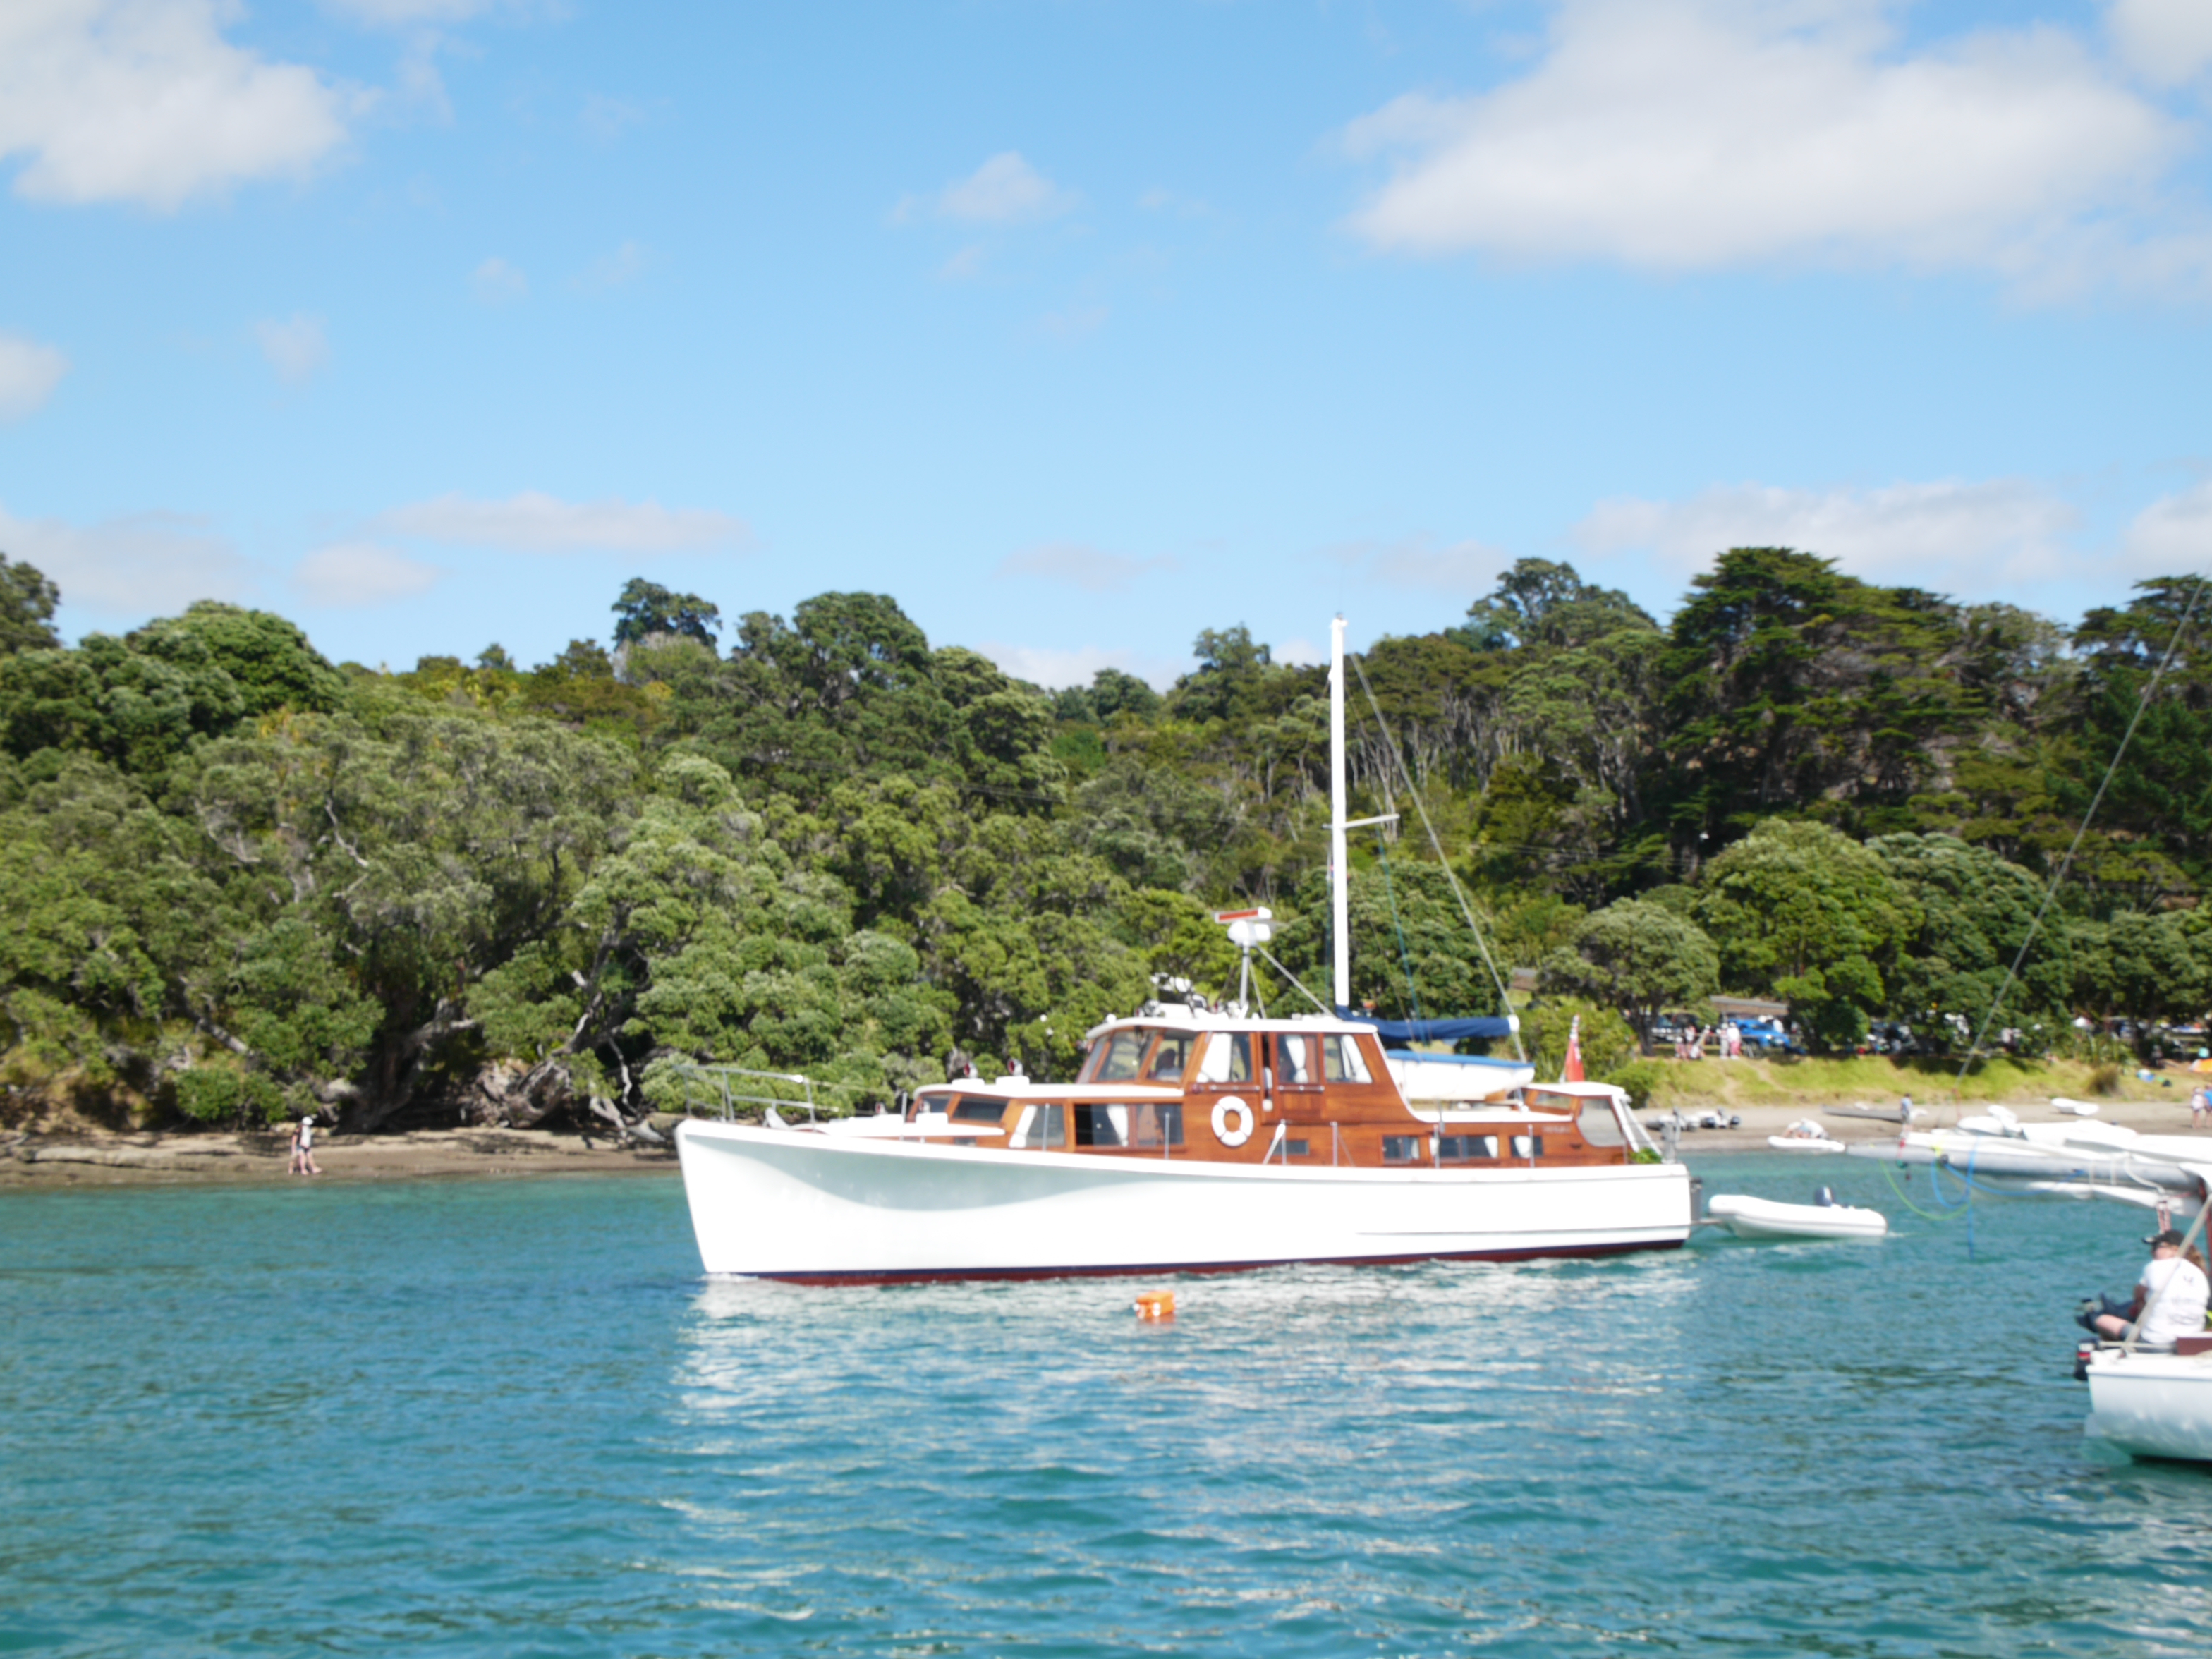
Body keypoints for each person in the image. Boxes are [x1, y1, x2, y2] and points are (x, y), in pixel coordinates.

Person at [2086, 1229, 2211, 1347]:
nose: (2152, 1252)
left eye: (2156, 1247)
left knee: (2101, 1320)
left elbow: (2139, 1299)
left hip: (2153, 1344)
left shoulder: (2155, 1267)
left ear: (2173, 1249)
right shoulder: (2199, 1273)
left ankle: (2121, 1353)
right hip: (2189, 1345)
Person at [295, 1112, 321, 1177]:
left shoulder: (308, 1128)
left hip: (307, 1145)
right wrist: (303, 1144)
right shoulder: (301, 1129)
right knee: (303, 1157)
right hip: (302, 1146)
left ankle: (314, 1168)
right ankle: (303, 1170)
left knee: (310, 1157)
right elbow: (299, 1138)